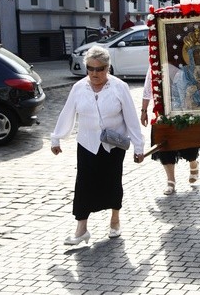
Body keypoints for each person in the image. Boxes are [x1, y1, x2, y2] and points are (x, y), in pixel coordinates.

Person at [51, 45, 145, 245]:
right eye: (90, 69)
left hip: (113, 144)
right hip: (87, 142)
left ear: (108, 68)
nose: (95, 73)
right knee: (84, 184)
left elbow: (131, 118)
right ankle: (81, 229)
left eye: (100, 69)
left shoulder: (119, 87)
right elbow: (68, 113)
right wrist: (56, 137)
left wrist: (138, 146)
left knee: (112, 182)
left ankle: (115, 219)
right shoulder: (79, 88)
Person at [140, 69, 200, 195]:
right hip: (163, 113)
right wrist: (144, 111)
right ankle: (170, 181)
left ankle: (193, 163)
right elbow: (147, 90)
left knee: (189, 147)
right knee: (165, 147)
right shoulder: (155, 65)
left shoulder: (184, 67)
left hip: (183, 111)